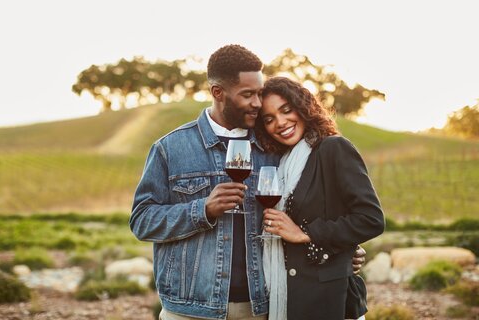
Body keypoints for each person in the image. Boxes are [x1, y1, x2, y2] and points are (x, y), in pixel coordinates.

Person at [130, 44, 367, 320]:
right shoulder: (171, 148)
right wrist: (202, 210)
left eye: (259, 92)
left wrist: (339, 248)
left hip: (261, 307)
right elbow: (142, 220)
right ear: (218, 93)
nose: (257, 102)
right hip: (190, 309)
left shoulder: (274, 147)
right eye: (247, 95)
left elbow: (313, 210)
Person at [254, 76, 385, 320]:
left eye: (286, 110)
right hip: (288, 298)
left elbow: (371, 219)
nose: (280, 123)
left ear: (303, 108)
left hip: (328, 299)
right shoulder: (280, 164)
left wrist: (306, 233)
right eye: (269, 119)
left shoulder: (333, 148)